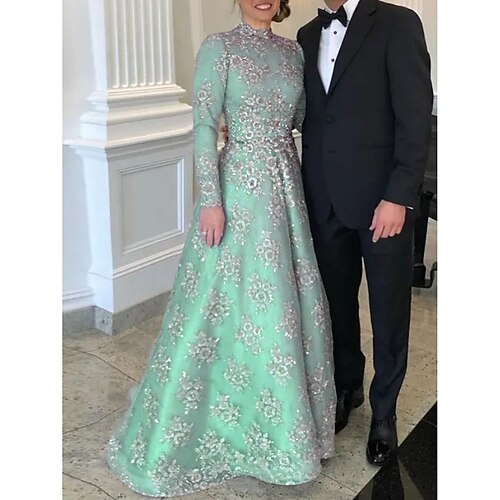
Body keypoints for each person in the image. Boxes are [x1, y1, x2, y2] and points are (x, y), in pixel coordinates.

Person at [107, 0, 337, 497]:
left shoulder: (294, 53)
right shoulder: (220, 47)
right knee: (223, 304)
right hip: (237, 191)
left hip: (285, 189)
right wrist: (211, 200)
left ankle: (278, 430)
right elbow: (205, 124)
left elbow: (301, 117)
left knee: (280, 307)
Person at [297, 0, 433, 466]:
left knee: (389, 309)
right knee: (336, 305)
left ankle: (384, 412)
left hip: (382, 203)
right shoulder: (305, 36)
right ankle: (347, 387)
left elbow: (415, 119)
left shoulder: (398, 23)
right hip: (324, 200)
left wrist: (399, 196)